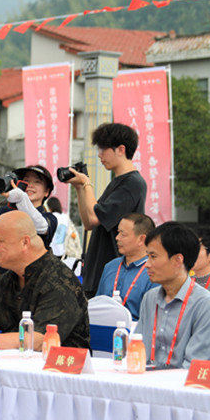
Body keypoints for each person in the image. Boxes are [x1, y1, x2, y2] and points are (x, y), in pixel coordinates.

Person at [0, 211, 90, 350]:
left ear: (25, 242)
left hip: (61, 368)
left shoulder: (59, 280)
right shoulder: (5, 280)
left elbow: (39, 340)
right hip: (14, 365)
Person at [63, 123, 147, 297]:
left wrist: (86, 183)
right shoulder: (118, 182)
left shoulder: (132, 183)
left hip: (114, 272)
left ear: (120, 149)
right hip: (98, 268)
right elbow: (87, 223)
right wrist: (79, 187)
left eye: (103, 149)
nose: (100, 155)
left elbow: (94, 217)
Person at [135, 222, 210, 368]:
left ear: (178, 260)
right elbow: (138, 349)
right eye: (147, 256)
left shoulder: (206, 304)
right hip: (145, 382)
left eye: (153, 257)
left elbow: (196, 365)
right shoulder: (150, 298)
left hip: (182, 387)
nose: (147, 264)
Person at [96, 213, 157, 321]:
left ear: (141, 239)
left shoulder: (153, 271)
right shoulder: (110, 267)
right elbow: (97, 305)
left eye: (123, 234)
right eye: (118, 232)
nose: (117, 238)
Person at [0, 165, 57, 249]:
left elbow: (42, 227)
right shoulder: (6, 212)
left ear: (46, 191)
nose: (30, 185)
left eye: (37, 182)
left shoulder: (50, 218)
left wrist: (21, 198)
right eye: (26, 180)